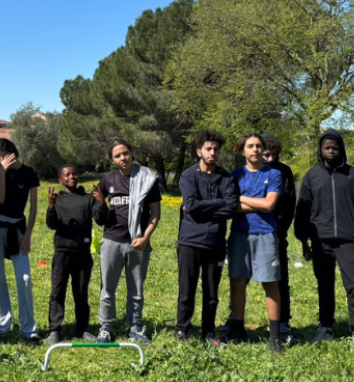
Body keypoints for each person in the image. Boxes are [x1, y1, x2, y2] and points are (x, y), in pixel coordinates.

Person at [294, 129, 354, 351]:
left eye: (335, 147)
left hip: (349, 240)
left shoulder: (353, 175)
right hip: (320, 241)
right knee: (324, 284)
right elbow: (302, 211)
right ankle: (326, 327)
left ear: (341, 149)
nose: (331, 151)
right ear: (321, 150)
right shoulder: (312, 176)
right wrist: (304, 241)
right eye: (327, 148)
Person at [176, 130, 238, 346]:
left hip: (216, 243)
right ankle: (182, 330)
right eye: (208, 149)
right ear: (199, 151)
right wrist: (219, 203)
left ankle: (208, 333)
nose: (212, 152)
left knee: (211, 293)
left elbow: (231, 208)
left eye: (216, 149)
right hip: (189, 242)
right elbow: (191, 205)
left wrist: (204, 208)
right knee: (187, 290)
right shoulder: (188, 176)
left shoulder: (227, 178)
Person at [96, 139, 161, 345]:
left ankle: (135, 328)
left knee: (136, 290)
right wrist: (100, 205)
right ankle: (106, 328)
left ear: (132, 153)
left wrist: (145, 238)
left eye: (125, 153)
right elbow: (97, 210)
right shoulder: (108, 180)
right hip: (112, 242)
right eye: (117, 156)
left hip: (138, 243)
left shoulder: (147, 179)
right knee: (108, 288)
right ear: (112, 160)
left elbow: (156, 214)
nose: (123, 158)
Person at [228, 134, 284, 353]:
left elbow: (270, 205)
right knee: (237, 282)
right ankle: (238, 329)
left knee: (270, 283)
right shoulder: (235, 175)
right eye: (250, 146)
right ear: (242, 151)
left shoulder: (274, 174)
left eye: (258, 146)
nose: (255, 150)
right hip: (239, 234)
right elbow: (230, 206)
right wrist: (258, 203)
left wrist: (241, 198)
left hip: (266, 234)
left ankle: (275, 337)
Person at [45, 164, 106, 344]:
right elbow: (52, 225)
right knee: (58, 291)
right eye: (67, 174)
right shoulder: (58, 200)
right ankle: (54, 330)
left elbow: (101, 220)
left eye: (74, 173)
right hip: (62, 252)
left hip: (82, 253)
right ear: (60, 180)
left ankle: (82, 329)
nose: (72, 176)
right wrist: (51, 207)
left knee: (81, 292)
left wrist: (102, 204)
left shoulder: (88, 198)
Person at [0, 138, 41, 341]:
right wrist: (2, 171)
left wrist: (27, 235)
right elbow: (0, 199)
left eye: (7, 154)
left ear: (14, 150)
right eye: (0, 157)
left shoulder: (30, 172)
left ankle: (29, 329)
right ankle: (0, 325)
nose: (5, 159)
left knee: (25, 278)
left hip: (18, 227)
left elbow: (33, 208)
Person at [262, 135, 298, 345]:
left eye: (274, 155)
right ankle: (235, 321)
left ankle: (283, 323)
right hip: (250, 233)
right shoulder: (248, 171)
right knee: (240, 279)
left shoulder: (284, 171)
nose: (270, 159)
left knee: (280, 279)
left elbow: (290, 204)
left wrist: (280, 230)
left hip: (276, 234)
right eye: (266, 155)